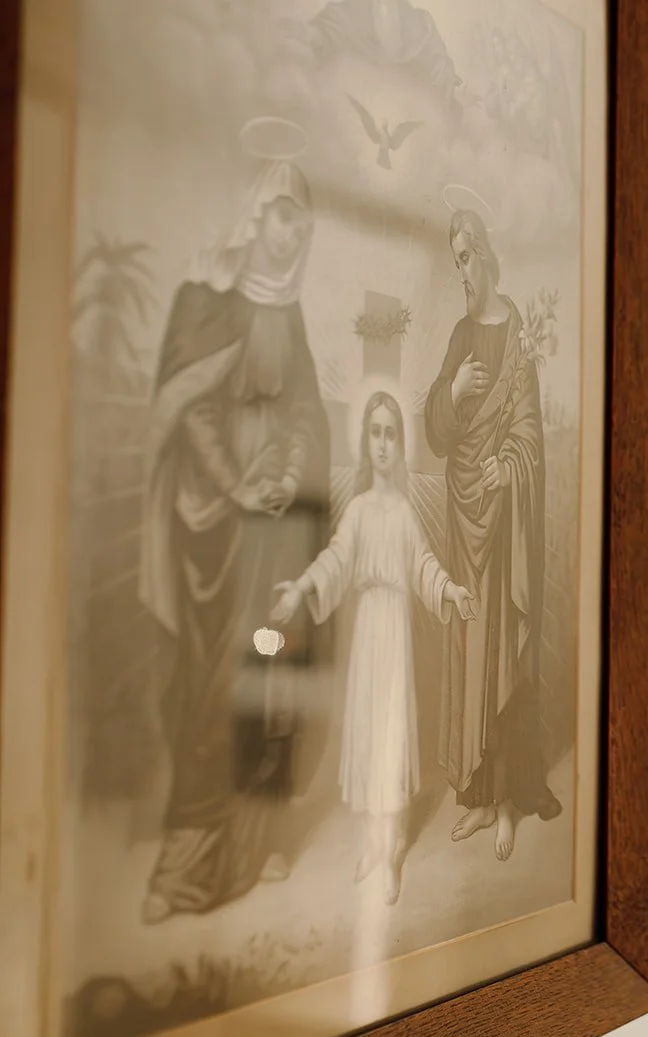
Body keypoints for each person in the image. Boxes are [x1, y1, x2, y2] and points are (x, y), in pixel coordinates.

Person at [137, 160, 330, 923]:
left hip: (273, 532)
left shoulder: (291, 313)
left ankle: (257, 840)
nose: (293, 235)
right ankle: (182, 870)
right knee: (210, 686)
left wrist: (285, 471)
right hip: (214, 527)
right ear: (256, 214)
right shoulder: (205, 298)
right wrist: (236, 484)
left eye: (303, 225)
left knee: (269, 676)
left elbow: (305, 412)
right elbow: (190, 410)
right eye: (285, 217)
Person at [270, 391, 476, 904]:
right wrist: (299, 589)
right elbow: (336, 560)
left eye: (390, 434)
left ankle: (393, 850)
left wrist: (451, 591)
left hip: (395, 631)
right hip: (367, 631)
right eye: (375, 433)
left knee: (391, 734)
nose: (382, 444)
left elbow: (425, 565)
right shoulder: (359, 510)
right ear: (365, 441)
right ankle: (372, 844)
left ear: (399, 444)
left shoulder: (403, 512)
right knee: (366, 734)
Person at [424, 208, 560, 862]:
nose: (461, 271)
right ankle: (479, 799)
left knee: (501, 649)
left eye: (465, 257)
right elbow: (435, 429)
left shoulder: (517, 336)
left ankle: (507, 802)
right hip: (463, 517)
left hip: (502, 522)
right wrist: (453, 389)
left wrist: (508, 465)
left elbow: (529, 428)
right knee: (470, 651)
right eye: (454, 260)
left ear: (484, 254)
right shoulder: (460, 336)